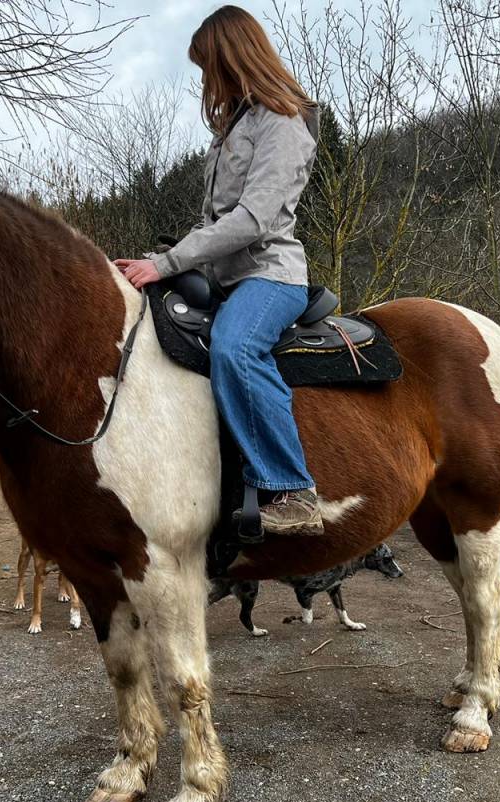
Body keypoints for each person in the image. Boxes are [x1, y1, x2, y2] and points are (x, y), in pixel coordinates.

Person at [113, 5, 323, 537]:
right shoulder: (232, 129)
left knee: (234, 347)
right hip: (226, 280)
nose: (205, 79)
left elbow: (252, 219)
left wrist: (166, 262)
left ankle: (293, 489)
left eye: (208, 66)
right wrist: (162, 268)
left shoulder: (283, 122)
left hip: (270, 278)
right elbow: (213, 222)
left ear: (232, 58)